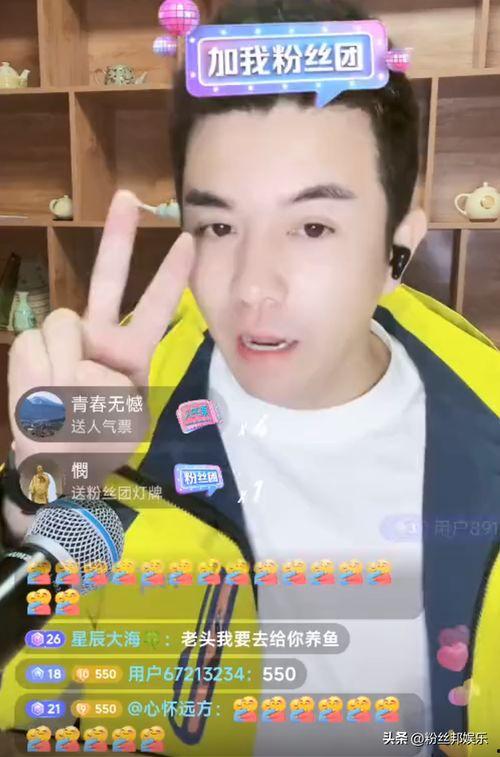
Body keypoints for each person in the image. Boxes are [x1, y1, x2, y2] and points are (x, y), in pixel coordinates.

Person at [0, 1, 498, 755]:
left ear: (396, 249)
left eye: (313, 226)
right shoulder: (117, 424)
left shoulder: (486, 429)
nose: (252, 287)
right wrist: (33, 493)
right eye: (220, 226)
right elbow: (34, 692)